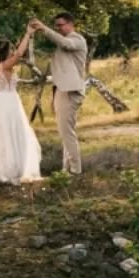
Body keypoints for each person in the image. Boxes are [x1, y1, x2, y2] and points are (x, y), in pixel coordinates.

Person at [0, 27, 43, 185]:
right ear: (6, 52)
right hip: (7, 104)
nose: (13, 51)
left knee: (1, 136)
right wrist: (28, 34)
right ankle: (12, 171)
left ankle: (2, 171)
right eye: (11, 49)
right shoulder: (4, 66)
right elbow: (19, 54)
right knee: (11, 134)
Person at [29, 13, 89, 174]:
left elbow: (64, 43)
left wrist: (43, 28)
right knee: (64, 132)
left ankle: (75, 170)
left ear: (70, 24)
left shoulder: (77, 39)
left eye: (60, 25)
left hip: (71, 92)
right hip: (62, 91)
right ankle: (66, 168)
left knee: (67, 132)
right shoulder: (64, 43)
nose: (58, 28)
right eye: (56, 25)